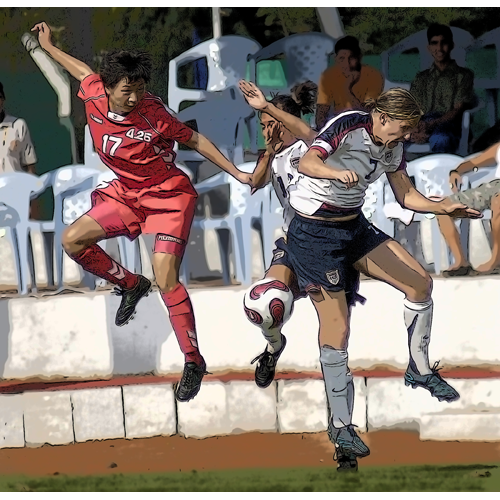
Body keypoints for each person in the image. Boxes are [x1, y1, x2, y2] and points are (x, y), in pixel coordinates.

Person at [31, 21, 253, 404]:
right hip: (127, 195)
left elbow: (195, 139)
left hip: (168, 197)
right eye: (127, 90)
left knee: (166, 277)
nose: (134, 97)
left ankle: (193, 360)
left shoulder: (154, 113)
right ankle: (131, 284)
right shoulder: (93, 94)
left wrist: (237, 172)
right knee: (72, 240)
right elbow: (81, 71)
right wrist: (48, 46)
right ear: (110, 87)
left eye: (140, 89)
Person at [285, 88, 483, 469]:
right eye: (404, 128)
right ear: (382, 118)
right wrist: (334, 171)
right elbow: (309, 163)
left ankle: (419, 369)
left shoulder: (392, 145)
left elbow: (406, 196)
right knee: (337, 329)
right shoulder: (348, 126)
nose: (408, 136)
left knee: (420, 283)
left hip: (353, 227)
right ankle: (342, 429)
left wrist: (444, 207)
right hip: (314, 235)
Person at [239, 79, 367, 473]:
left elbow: (310, 137)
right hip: (293, 243)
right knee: (265, 302)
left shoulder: (312, 148)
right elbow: (255, 182)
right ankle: (274, 346)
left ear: (286, 118)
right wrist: (267, 151)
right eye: (261, 125)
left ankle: (342, 440)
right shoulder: (276, 152)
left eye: (271, 123)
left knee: (334, 341)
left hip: (327, 246)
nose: (267, 129)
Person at [410, 24, 476, 154]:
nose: (439, 48)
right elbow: (413, 109)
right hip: (423, 123)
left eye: (443, 43)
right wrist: (415, 128)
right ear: (429, 48)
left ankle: (442, 173)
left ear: (451, 45)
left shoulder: (463, 75)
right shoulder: (421, 77)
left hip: (449, 124)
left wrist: (430, 125)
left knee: (441, 139)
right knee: (390, 137)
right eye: (434, 43)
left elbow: (457, 110)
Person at [436, 142, 500, 277]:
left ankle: (496, 261)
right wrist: (456, 171)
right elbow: (474, 162)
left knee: (498, 201)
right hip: (494, 186)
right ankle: (460, 262)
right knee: (443, 207)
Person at [316, 36, 384, 131]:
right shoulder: (328, 75)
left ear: (359, 57)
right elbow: (321, 114)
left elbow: (366, 116)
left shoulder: (373, 75)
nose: (347, 64)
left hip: (364, 127)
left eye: (351, 58)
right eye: (341, 59)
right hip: (338, 124)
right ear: (335, 59)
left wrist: (347, 90)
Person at [0, 81, 37, 175]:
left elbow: (29, 164)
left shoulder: (18, 125)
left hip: (15, 187)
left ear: (3, 99)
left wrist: (32, 188)